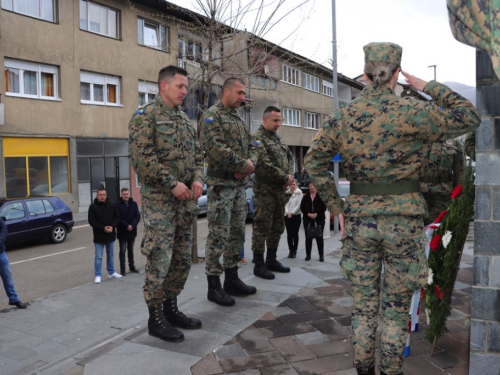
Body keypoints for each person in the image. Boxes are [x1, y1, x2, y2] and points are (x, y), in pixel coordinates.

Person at [304, 43, 480, 375]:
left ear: (367, 73)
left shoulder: (343, 116)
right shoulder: (413, 113)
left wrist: (338, 206)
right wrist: (425, 86)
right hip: (403, 221)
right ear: (397, 73)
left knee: (364, 308)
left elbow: (313, 165)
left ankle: (364, 370)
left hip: (360, 223)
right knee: (398, 309)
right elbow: (470, 116)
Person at [129, 65, 203, 343]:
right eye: (180, 86)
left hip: (185, 204)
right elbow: (142, 160)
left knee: (181, 259)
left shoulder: (185, 120)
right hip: (160, 203)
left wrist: (197, 179)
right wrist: (172, 183)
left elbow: (198, 157)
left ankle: (172, 308)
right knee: (160, 258)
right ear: (164, 86)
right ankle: (155, 318)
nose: (185, 91)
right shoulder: (144, 118)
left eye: (186, 87)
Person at [201, 77, 257, 306]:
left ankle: (232, 279)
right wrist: (244, 166)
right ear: (227, 92)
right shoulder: (212, 116)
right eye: (240, 93)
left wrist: (249, 165)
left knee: (237, 233)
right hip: (221, 186)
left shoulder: (238, 119)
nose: (243, 97)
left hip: (238, 187)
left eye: (244, 93)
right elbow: (215, 149)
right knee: (218, 235)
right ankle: (213, 286)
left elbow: (254, 145)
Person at [251, 106, 294, 279]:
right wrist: (285, 179)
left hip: (280, 193)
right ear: (265, 120)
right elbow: (263, 165)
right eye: (275, 120)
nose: (278, 124)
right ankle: (259, 264)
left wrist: (289, 176)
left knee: (277, 227)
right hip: (265, 194)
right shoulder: (257, 139)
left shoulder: (278, 139)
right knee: (262, 228)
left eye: (280, 120)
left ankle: (271, 260)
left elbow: (290, 158)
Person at [420, 139, 464, 224]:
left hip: (443, 194)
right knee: (418, 230)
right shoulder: (418, 138)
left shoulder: (454, 142)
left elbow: (460, 172)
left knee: (439, 228)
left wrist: (458, 196)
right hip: (420, 193)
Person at [88, 189, 122, 284]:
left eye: (104, 195)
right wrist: (103, 228)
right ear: (97, 196)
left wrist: (112, 226)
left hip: (111, 235)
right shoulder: (93, 207)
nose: (102, 196)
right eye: (100, 195)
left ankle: (111, 272)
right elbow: (91, 221)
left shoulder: (112, 205)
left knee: (110, 255)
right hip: (99, 236)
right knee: (98, 256)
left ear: (106, 195)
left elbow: (117, 217)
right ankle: (98, 275)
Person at [0, 217, 27, 309]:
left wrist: (0, 240)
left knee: (7, 277)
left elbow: (3, 228)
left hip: (1, 253)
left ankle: (13, 299)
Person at [115, 188, 141, 275]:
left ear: (129, 194)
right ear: (121, 195)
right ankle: (123, 269)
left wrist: (132, 225)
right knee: (122, 250)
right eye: (124, 194)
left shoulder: (134, 204)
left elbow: (137, 216)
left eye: (127, 194)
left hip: (132, 231)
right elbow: (117, 217)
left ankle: (132, 266)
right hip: (122, 231)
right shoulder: (117, 205)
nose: (125, 196)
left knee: (131, 250)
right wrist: (127, 225)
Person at [300, 181, 327, 262]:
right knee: (308, 237)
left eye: (313, 186)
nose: (311, 187)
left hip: (319, 219)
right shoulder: (306, 196)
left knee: (319, 237)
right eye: (310, 186)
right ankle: (308, 255)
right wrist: (308, 214)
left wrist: (316, 214)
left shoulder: (321, 195)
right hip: (308, 219)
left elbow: (324, 207)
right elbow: (302, 207)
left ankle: (321, 256)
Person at [285, 179, 303, 258]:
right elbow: (285, 204)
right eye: (291, 184)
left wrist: (292, 212)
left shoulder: (299, 193)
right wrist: (287, 212)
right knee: (289, 234)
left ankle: (295, 250)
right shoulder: (287, 193)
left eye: (294, 184)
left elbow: (299, 205)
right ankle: (290, 250)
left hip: (296, 215)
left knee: (294, 233)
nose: (293, 186)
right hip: (287, 215)